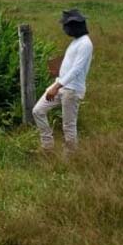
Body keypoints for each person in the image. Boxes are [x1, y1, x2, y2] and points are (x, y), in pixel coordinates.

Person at [32, 9, 93, 154]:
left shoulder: (85, 44)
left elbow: (77, 69)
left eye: (66, 26)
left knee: (68, 125)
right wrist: (57, 74)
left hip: (72, 90)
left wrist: (56, 86)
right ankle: (47, 146)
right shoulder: (75, 42)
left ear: (74, 26)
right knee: (38, 111)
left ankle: (70, 157)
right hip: (61, 85)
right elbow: (70, 65)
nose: (64, 29)